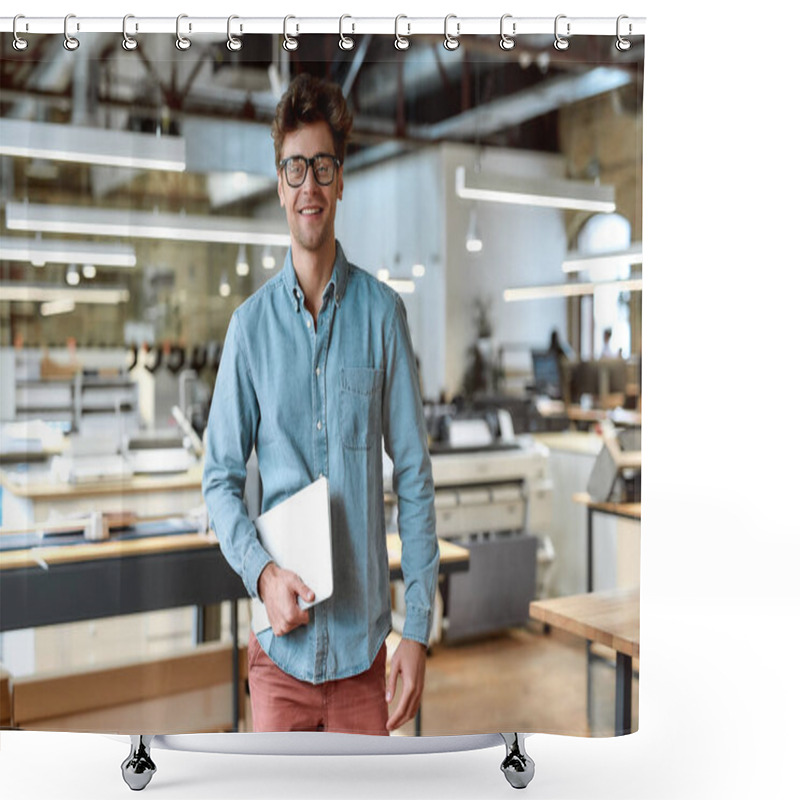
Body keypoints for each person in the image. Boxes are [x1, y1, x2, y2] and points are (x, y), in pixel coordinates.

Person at [202, 73, 439, 736]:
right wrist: (263, 573)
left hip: (364, 663)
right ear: (280, 183)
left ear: (340, 180)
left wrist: (417, 630)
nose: (309, 185)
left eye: (323, 167)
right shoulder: (248, 330)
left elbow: (415, 477)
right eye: (295, 168)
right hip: (281, 664)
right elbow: (218, 479)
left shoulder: (382, 317)